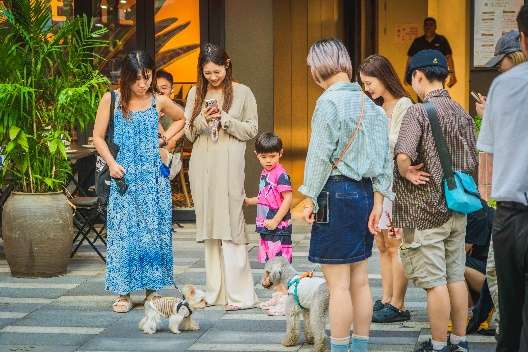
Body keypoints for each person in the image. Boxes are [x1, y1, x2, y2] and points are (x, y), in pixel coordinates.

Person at [300, 38, 393, 352]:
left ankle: (340, 348)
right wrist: (379, 202)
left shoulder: (328, 102)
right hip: (366, 195)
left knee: (337, 285)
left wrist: (309, 197)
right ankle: (360, 346)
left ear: (319, 68)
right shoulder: (372, 104)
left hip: (336, 193)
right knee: (361, 280)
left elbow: (318, 156)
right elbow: (384, 162)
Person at [394, 49, 478, 352]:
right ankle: (460, 341)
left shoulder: (418, 112)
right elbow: (472, 160)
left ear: (418, 76)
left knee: (435, 283)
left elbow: (403, 153)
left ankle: (439, 345)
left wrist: (407, 170)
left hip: (428, 211)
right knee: (455, 276)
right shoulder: (462, 112)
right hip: (458, 207)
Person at [93, 51, 185, 313]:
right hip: (124, 175)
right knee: (123, 233)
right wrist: (111, 164)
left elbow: (182, 118)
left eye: (147, 77)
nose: (143, 84)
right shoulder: (111, 99)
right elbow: (98, 137)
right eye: (137, 80)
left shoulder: (159, 101)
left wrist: (165, 137)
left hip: (153, 178)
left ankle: (152, 291)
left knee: (152, 233)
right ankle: (123, 293)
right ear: (126, 78)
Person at [184, 43, 258, 311]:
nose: (212, 77)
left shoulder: (243, 92)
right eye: (207, 73)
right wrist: (203, 118)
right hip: (203, 165)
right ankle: (216, 293)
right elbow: (189, 134)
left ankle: (240, 295)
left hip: (229, 165)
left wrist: (225, 119)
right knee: (211, 228)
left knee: (232, 222)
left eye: (216, 72)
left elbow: (252, 130)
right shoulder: (195, 93)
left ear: (227, 64)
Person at [476, 5, 528, 350]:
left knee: (510, 318)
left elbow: (489, 154)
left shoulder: (505, 87)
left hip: (512, 217)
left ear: (523, 37)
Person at [359, 54, 412, 324]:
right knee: (381, 243)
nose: (368, 89)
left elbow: (399, 144)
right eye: (364, 85)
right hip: (378, 184)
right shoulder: (376, 107)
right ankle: (386, 298)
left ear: (383, 77)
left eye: (370, 83)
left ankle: (398, 303)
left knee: (396, 243)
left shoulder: (404, 105)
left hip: (397, 185)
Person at [245, 132, 293, 316]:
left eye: (272, 156)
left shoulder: (281, 174)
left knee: (280, 264)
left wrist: (276, 220)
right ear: (256, 154)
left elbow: (288, 199)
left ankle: (284, 299)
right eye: (263, 157)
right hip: (266, 226)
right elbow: (267, 197)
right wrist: (251, 201)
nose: (268, 160)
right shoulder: (266, 172)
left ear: (280, 153)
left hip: (278, 228)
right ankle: (277, 295)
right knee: (270, 262)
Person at [406, 17, 457, 88]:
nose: (428, 27)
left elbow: (448, 57)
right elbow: (410, 58)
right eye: (426, 25)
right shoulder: (418, 42)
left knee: (438, 96)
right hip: (422, 75)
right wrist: (407, 74)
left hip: (438, 75)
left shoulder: (441, 40)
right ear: (423, 27)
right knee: (423, 98)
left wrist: (452, 75)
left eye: (431, 25)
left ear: (435, 27)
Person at [156, 69, 184, 151]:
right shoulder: (148, 108)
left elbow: (171, 144)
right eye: (156, 88)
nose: (160, 91)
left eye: (164, 88)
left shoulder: (180, 112)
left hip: (174, 158)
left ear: (172, 89)